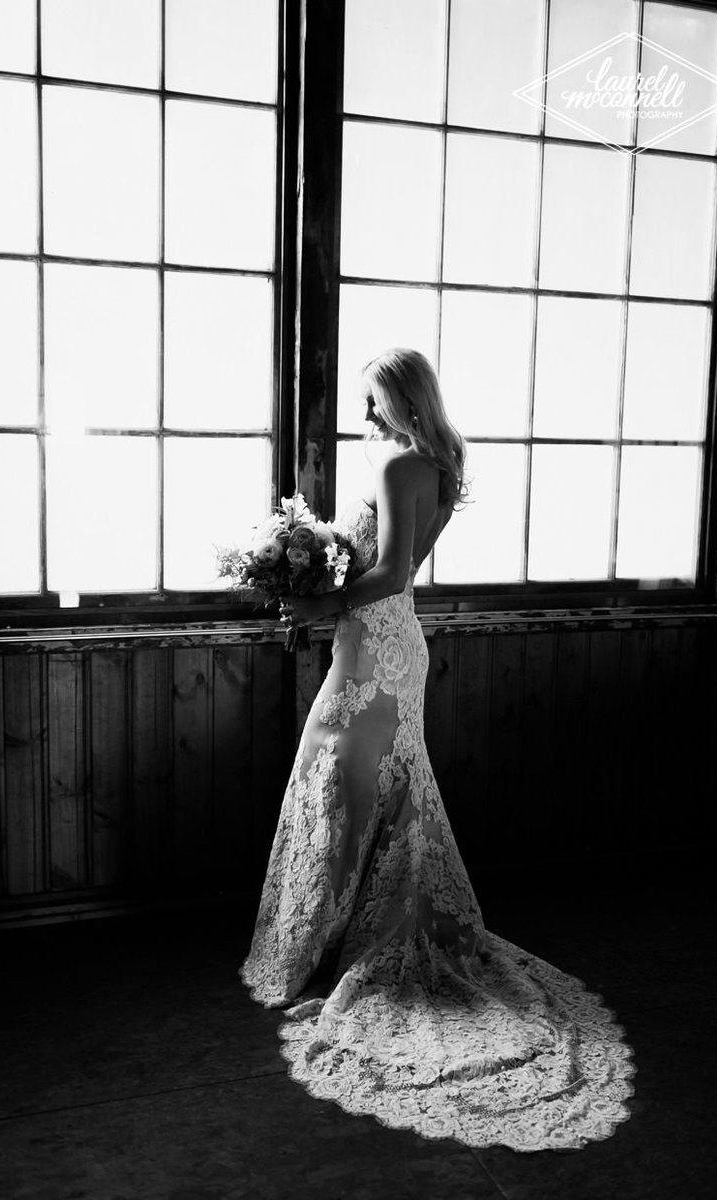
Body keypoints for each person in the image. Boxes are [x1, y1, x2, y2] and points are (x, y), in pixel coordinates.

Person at [240, 348, 634, 1151]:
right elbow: (397, 569)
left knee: (341, 778)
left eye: (372, 402)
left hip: (374, 647)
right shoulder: (440, 466)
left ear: (400, 399)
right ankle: (346, 928)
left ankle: (341, 938)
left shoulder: (396, 467)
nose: (365, 416)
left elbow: (388, 573)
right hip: (385, 648)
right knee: (368, 785)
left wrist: (315, 604)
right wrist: (324, 591)